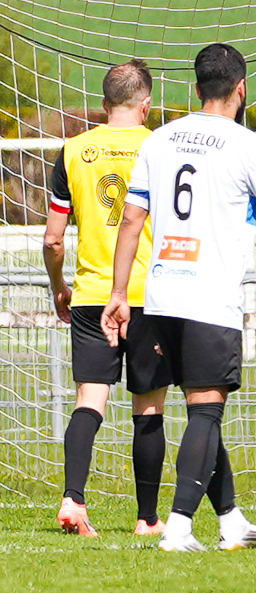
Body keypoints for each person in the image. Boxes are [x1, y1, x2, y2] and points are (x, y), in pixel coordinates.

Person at [101, 43, 256, 552]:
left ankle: (231, 520)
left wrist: (119, 293)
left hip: (159, 295)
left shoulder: (159, 139)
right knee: (206, 414)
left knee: (200, 412)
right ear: (241, 88)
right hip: (208, 298)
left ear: (196, 88)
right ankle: (179, 528)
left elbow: (130, 220)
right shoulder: (249, 146)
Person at [43, 59, 171, 537]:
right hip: (148, 294)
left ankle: (73, 499)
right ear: (146, 104)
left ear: (103, 104)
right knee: (149, 406)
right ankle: (147, 518)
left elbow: (53, 239)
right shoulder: (161, 146)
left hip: (92, 294)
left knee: (89, 400)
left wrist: (59, 286)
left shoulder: (74, 150)